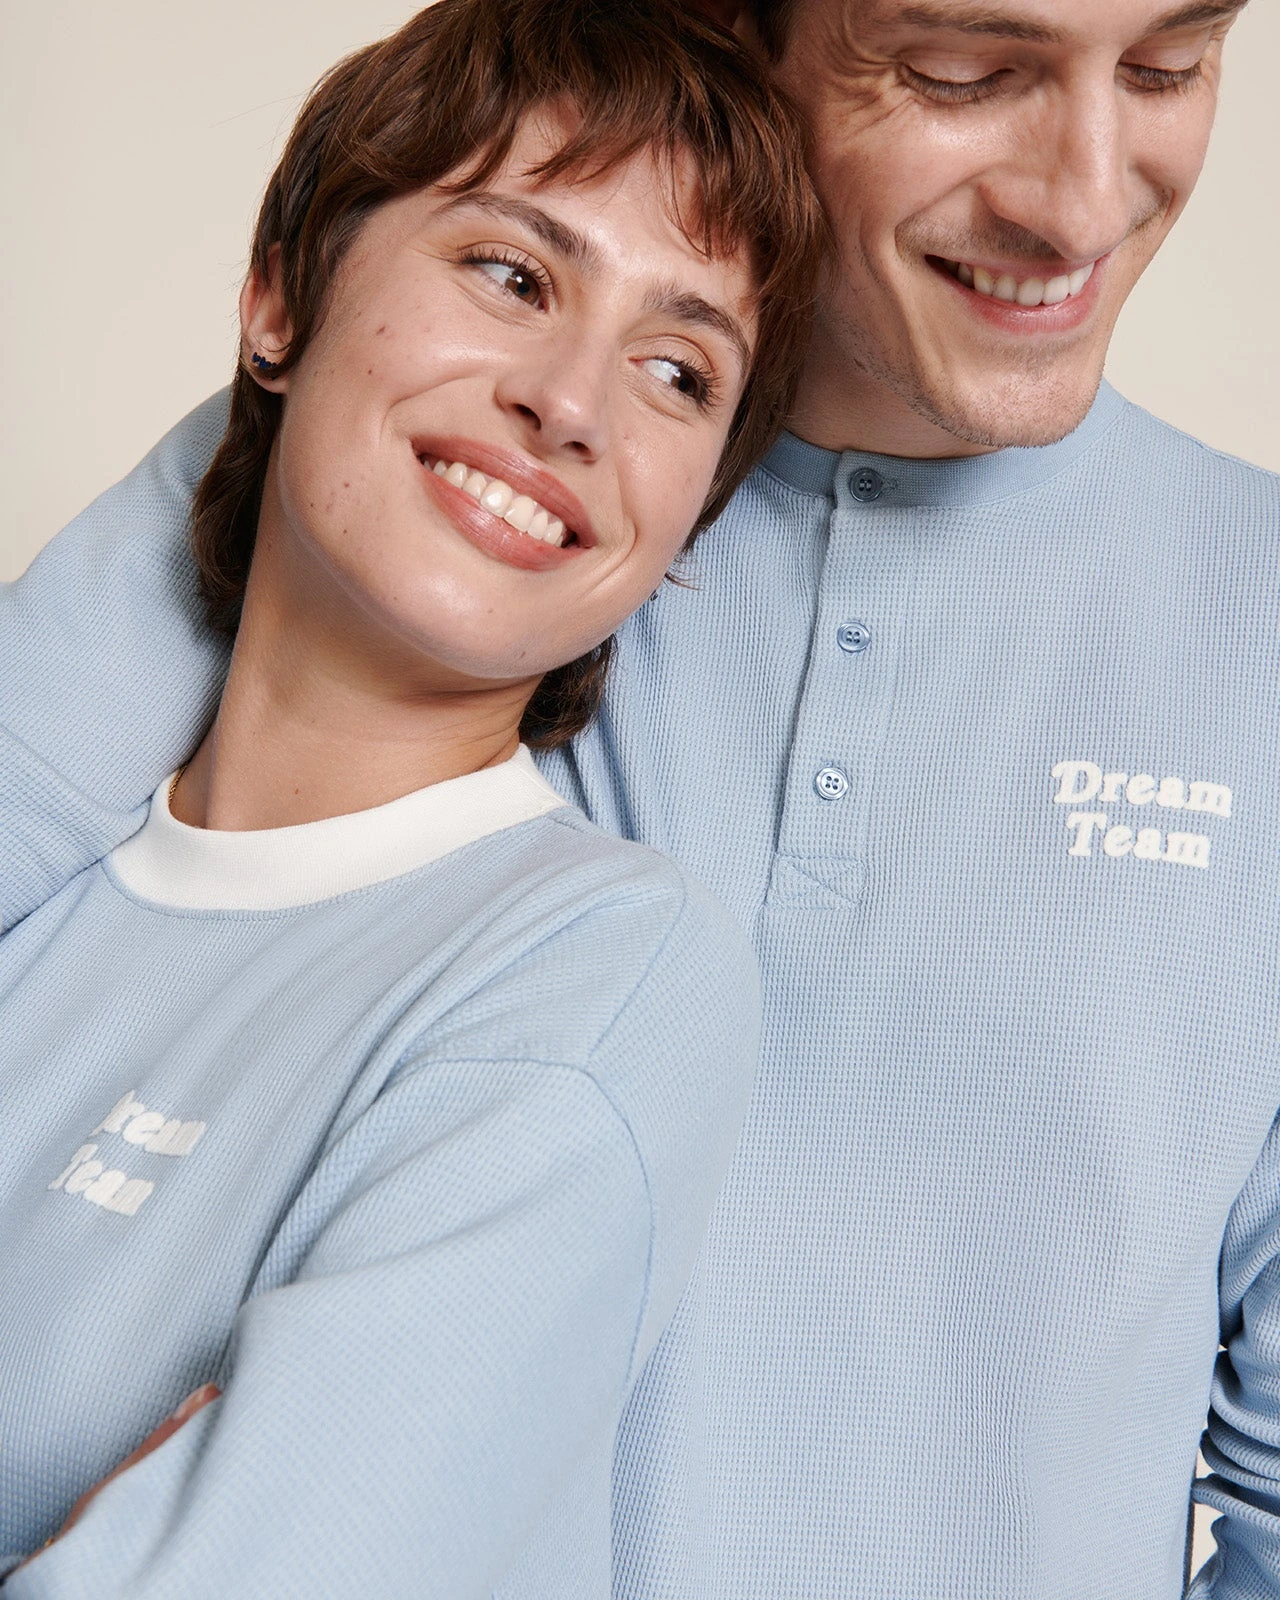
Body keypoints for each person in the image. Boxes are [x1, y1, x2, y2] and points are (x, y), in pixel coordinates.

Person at [2, 0, 1277, 1597]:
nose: (1083, 200)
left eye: (1169, 66)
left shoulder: (1258, 621)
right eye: (962, 74)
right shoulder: (449, 496)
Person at [0, 0, 827, 1594]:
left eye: (677, 370)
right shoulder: (49, 882)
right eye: (512, 275)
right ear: (280, 297)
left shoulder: (598, 970)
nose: (572, 404)